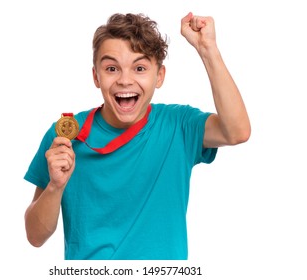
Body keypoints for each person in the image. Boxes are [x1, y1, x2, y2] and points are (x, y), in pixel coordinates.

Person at [23, 11, 251, 260]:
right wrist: (56, 186)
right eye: (112, 68)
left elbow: (237, 131)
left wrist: (208, 49)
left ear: (159, 76)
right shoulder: (64, 135)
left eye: (140, 68)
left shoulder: (178, 125)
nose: (125, 80)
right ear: (96, 76)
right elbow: (35, 237)